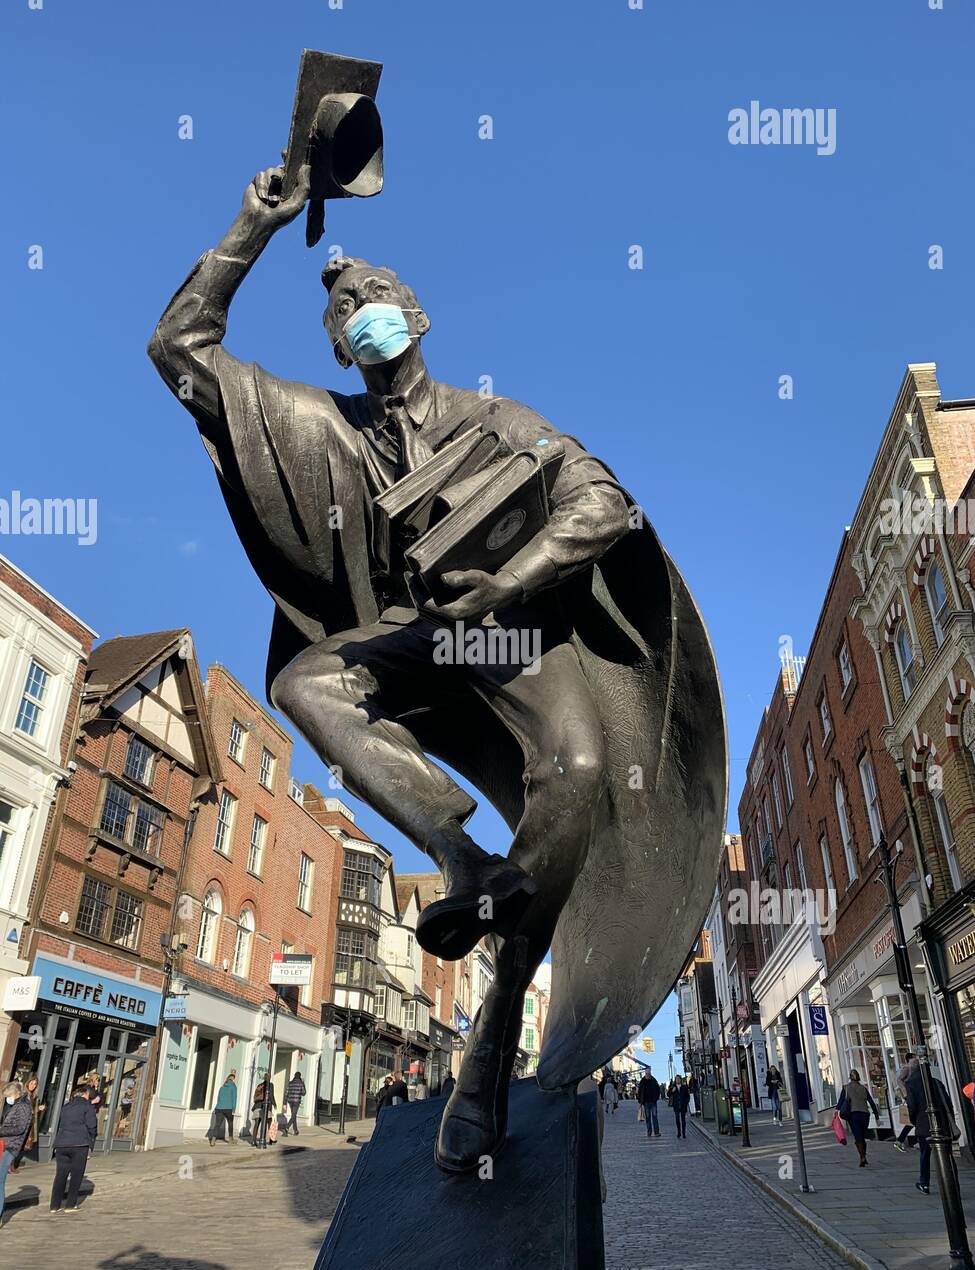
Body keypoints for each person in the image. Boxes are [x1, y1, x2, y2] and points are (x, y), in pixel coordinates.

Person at [147, 156, 723, 1179]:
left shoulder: (498, 421)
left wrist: (506, 586)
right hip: (410, 641)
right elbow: (179, 347)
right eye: (343, 311)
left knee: (581, 770)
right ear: (335, 346)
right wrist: (254, 226)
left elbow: (601, 505)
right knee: (305, 683)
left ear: (418, 315)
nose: (359, 312)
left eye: (375, 299)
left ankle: (499, 1012)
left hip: (504, 638)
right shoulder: (328, 427)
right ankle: (463, 861)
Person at [905, 1065, 957, 1195]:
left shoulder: (911, 1083)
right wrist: (951, 1122)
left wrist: (914, 1121)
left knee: (925, 1155)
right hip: (942, 1123)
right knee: (948, 1155)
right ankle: (953, 1184)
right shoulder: (937, 1082)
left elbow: (912, 1106)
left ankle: (924, 1183)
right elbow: (948, 1103)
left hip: (924, 1125)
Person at [49, 1085, 97, 1214]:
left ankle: (54, 1205)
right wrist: (91, 1142)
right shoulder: (88, 1107)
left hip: (62, 1144)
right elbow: (92, 1126)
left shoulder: (66, 1107)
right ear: (85, 1095)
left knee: (60, 1175)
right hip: (79, 1144)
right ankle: (70, 1204)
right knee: (76, 1175)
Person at [1, 1081, 34, 1227]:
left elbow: (19, 1128)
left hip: (10, 1146)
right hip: (4, 1144)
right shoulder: (16, 1105)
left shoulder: (24, 1106)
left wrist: (0, 1130)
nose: (7, 1098)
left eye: (8, 1096)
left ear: (15, 1093)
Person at [835, 1069, 880, 1168]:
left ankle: (862, 1157)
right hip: (865, 1115)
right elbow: (871, 1102)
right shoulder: (863, 1088)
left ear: (850, 1077)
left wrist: (836, 1110)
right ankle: (864, 1156)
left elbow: (841, 1100)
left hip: (853, 1115)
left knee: (858, 1137)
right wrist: (876, 1116)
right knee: (862, 1136)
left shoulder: (846, 1088)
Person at [11, 1074, 45, 1171]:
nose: (33, 1085)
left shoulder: (34, 1097)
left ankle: (13, 1164)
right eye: (31, 1083)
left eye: (35, 1084)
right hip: (20, 1124)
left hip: (28, 1125)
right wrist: (37, 1109)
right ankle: (10, 1165)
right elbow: (23, 1110)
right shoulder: (22, 1094)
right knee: (17, 1145)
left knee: (23, 1146)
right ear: (27, 1083)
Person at [893, 1054, 918, 1151]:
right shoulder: (907, 1068)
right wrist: (905, 1092)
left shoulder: (912, 1068)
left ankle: (900, 1140)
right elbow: (899, 1079)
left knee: (914, 1119)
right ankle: (902, 1140)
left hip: (912, 1095)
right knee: (915, 1118)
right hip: (910, 1096)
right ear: (909, 1059)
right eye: (914, 1058)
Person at [209, 1071, 238, 1146]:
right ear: (233, 1079)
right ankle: (231, 1139)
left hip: (219, 1107)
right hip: (228, 1108)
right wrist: (234, 1109)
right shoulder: (233, 1086)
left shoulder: (222, 1087)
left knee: (217, 1124)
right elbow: (234, 1098)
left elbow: (218, 1098)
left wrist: (219, 1106)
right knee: (230, 1123)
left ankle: (213, 1140)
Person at [251, 1074, 276, 1146]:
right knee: (269, 1122)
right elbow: (271, 1095)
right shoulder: (270, 1085)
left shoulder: (259, 1085)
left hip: (257, 1106)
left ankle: (253, 1141)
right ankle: (271, 1140)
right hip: (266, 1106)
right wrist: (274, 1104)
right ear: (269, 1078)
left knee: (257, 1124)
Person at [637, 1068, 661, 1137]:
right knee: (648, 1117)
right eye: (646, 1074)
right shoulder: (642, 1081)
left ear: (650, 1073)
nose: (647, 1075)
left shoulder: (653, 1080)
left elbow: (657, 1090)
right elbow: (640, 1091)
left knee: (655, 1117)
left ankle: (656, 1132)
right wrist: (640, 1101)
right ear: (645, 1074)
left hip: (653, 1102)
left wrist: (656, 1098)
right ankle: (649, 1132)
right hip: (646, 1102)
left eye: (648, 1074)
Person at [284, 1070, 306, 1135]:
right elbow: (304, 1093)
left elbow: (286, 1093)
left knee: (293, 1115)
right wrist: (303, 1083)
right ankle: (287, 1127)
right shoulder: (301, 1083)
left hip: (290, 1101)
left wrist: (284, 1102)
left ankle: (295, 1130)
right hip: (296, 1101)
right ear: (299, 1076)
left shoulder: (290, 1083)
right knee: (293, 1115)